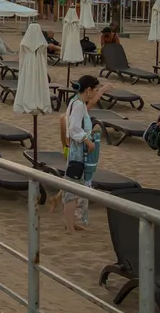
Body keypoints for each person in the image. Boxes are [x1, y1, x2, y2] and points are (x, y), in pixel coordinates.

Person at [62, 75, 103, 233]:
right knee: (72, 186)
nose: (96, 92)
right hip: (77, 150)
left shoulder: (76, 102)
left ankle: (70, 223)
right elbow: (74, 128)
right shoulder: (78, 105)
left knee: (74, 185)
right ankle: (69, 226)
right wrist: (88, 141)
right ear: (88, 90)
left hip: (76, 148)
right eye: (96, 90)